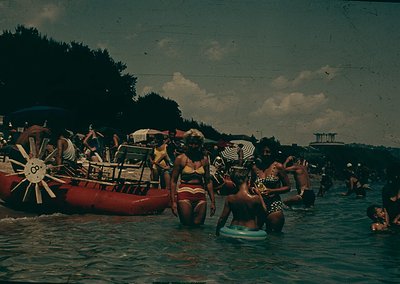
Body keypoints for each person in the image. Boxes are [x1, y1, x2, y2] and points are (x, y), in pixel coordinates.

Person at [170, 129, 216, 226]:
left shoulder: (204, 160)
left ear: (200, 144)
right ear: (187, 143)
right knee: (186, 228)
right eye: (191, 143)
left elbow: (208, 181)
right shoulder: (180, 159)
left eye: (196, 144)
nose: (193, 146)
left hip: (201, 196)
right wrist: (173, 202)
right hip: (184, 195)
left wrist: (213, 201)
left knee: (199, 228)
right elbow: (173, 181)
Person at [250, 139, 291, 233]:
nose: (265, 154)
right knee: (254, 238)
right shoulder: (255, 168)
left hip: (274, 206)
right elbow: (251, 185)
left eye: (268, 152)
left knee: (274, 240)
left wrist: (272, 191)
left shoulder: (278, 167)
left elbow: (288, 187)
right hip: (258, 206)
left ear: (273, 152)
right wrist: (252, 189)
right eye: (263, 151)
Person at [216, 166, 267, 236]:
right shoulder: (255, 198)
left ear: (234, 183)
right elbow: (264, 211)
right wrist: (259, 195)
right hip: (250, 229)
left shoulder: (230, 198)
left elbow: (222, 219)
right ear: (248, 181)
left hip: (234, 228)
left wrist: (217, 233)